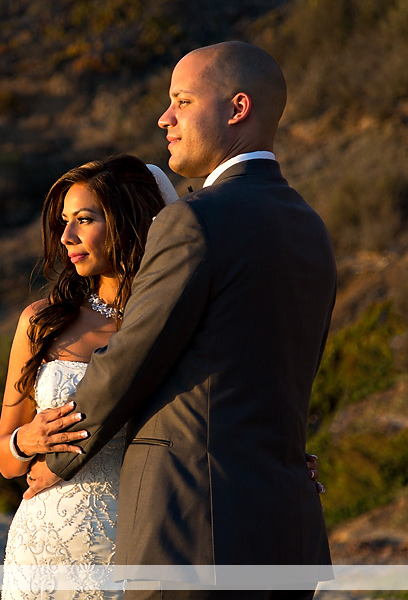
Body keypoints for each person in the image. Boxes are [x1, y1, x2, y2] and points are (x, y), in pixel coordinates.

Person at [24, 41, 336, 600]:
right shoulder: (310, 227)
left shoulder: (196, 222)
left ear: (237, 109)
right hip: (289, 531)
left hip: (195, 533)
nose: (164, 118)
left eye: (182, 101)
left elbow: (130, 360)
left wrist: (59, 458)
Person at [0, 154, 176, 599]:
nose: (67, 236)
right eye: (63, 222)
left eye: (84, 219)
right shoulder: (41, 323)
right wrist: (26, 442)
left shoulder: (171, 322)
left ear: (125, 221)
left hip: (133, 541)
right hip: (41, 547)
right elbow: (3, 456)